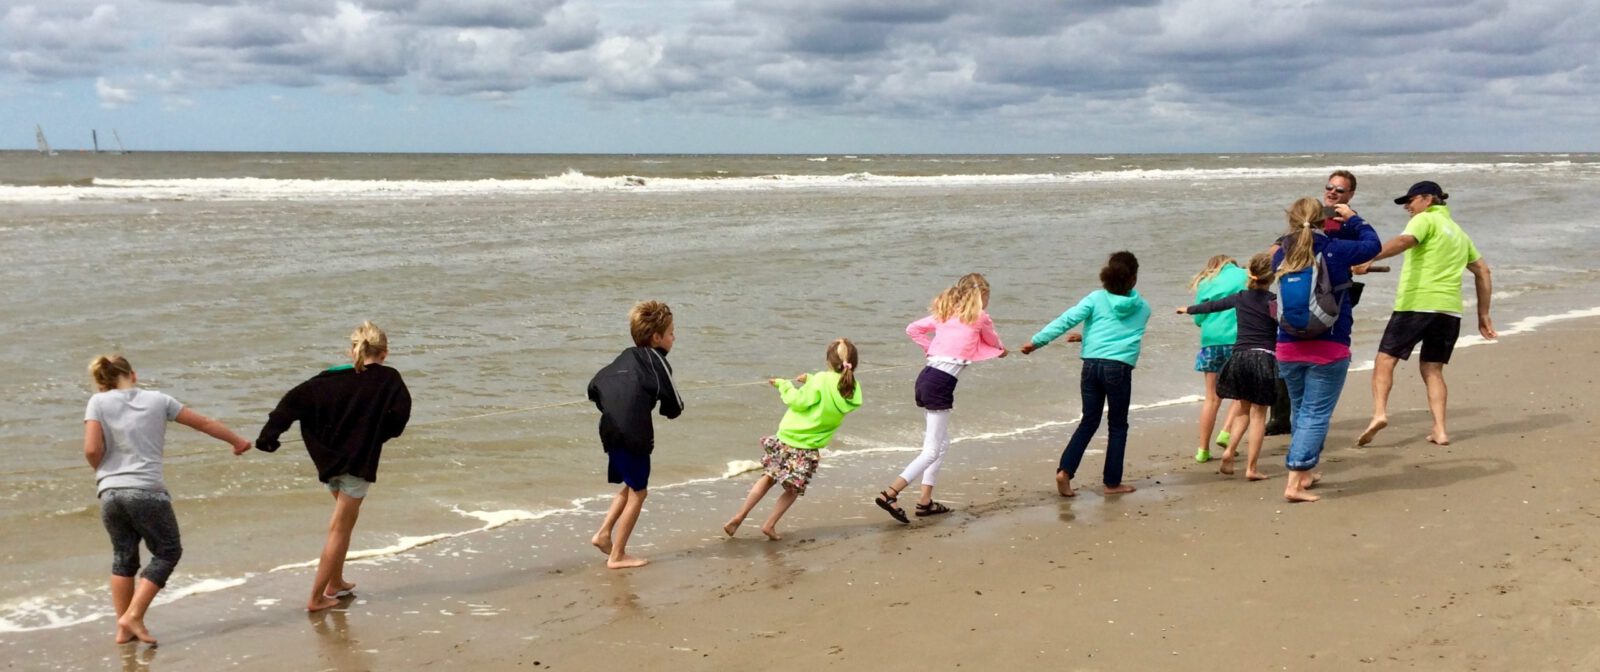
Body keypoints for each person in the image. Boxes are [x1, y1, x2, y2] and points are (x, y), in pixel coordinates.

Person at [83, 354, 253, 644]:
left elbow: (90, 449)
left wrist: (104, 470)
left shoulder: (97, 403)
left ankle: (123, 629)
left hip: (110, 493)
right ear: (133, 375)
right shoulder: (158, 400)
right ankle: (134, 616)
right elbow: (203, 422)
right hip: (146, 491)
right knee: (167, 551)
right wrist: (237, 441)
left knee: (123, 558)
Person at [255, 321, 412, 609]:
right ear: (385, 353)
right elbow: (399, 418)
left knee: (346, 523)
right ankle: (316, 598)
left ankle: (336, 582)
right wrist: (375, 435)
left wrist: (269, 437)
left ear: (352, 349)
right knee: (339, 528)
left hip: (328, 463)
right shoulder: (388, 379)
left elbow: (289, 404)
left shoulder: (324, 380)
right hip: (357, 464)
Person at [1356, 181, 1496, 447]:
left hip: (1417, 303)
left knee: (1385, 359)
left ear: (1428, 199)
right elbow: (1483, 271)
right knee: (1433, 369)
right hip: (1449, 310)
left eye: (1410, 201)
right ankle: (1440, 430)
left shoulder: (1425, 221)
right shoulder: (1458, 232)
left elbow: (1404, 241)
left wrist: (1370, 259)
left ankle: (1379, 413)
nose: (1408, 207)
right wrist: (1483, 315)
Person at [874, 273, 1006, 523]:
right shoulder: (980, 317)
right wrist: (1001, 351)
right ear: (980, 297)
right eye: (986, 298)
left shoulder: (945, 314)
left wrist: (929, 348)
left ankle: (925, 501)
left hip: (926, 377)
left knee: (942, 444)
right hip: (939, 384)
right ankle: (890, 493)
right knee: (932, 450)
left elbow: (912, 329)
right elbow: (993, 341)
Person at [1272, 198, 1379, 502]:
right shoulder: (1334, 250)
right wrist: (1355, 219)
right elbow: (1372, 245)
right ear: (1323, 220)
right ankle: (1294, 478)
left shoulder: (1281, 253)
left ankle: (1305, 472)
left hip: (1288, 346)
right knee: (1315, 413)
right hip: (1329, 346)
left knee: (1301, 409)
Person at [1020, 251, 1151, 497]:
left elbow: (1066, 320)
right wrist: (1089, 336)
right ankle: (1112, 483)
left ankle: (1065, 472)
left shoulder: (1095, 298)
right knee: (1118, 425)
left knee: (1089, 420)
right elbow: (1121, 332)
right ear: (1133, 279)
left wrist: (1036, 342)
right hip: (1118, 368)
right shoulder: (1143, 308)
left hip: (1091, 365)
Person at [724, 338, 863, 540]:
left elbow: (797, 401)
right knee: (793, 489)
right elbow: (830, 390)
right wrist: (811, 380)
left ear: (828, 361)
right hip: (808, 447)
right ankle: (769, 524)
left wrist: (783, 385)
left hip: (788, 438)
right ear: (853, 364)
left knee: (768, 478)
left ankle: (739, 517)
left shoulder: (820, 380)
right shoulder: (852, 388)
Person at [586, 301, 684, 568]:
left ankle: (603, 534)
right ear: (657, 338)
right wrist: (664, 407)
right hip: (633, 433)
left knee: (630, 485)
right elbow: (675, 407)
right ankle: (617, 555)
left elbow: (595, 385)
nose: (674, 337)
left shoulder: (624, 356)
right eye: (672, 333)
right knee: (639, 493)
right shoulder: (658, 362)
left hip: (609, 430)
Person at [1176, 252, 1279, 481]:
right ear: (1271, 278)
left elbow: (1213, 306)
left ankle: (1229, 452)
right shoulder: (1272, 301)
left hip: (1239, 357)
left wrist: (1189, 309)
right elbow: (1278, 325)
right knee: (1258, 414)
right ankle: (1251, 468)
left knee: (1242, 408)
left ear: (1249, 274)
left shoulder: (1240, 297)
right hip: (1262, 357)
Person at [1185, 254, 1248, 463]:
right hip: (1238, 341)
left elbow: (1198, 319)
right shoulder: (1244, 275)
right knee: (1242, 393)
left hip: (1211, 342)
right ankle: (1227, 431)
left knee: (1212, 398)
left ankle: (1202, 450)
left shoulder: (1206, 282)